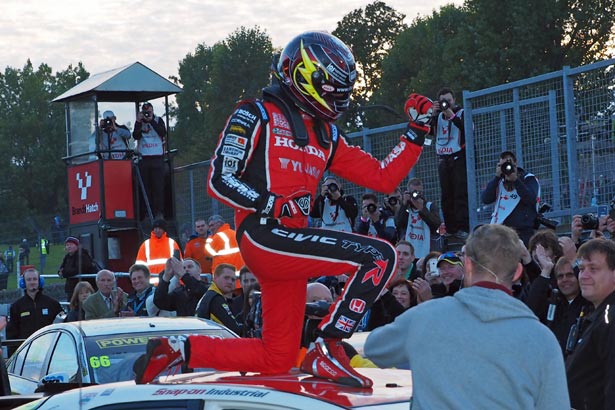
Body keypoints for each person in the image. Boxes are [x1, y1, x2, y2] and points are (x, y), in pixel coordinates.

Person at [134, 31, 430, 388]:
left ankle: (178, 350)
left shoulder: (327, 134)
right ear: (305, 76)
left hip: (290, 247)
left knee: (278, 357)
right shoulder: (254, 114)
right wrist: (269, 201)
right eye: (334, 89)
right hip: (262, 236)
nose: (339, 99)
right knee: (379, 255)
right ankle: (329, 343)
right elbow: (220, 179)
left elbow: (382, 179)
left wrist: (416, 132)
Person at [364, 224, 570, 409]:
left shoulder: (424, 317)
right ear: (517, 272)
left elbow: (374, 348)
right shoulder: (543, 340)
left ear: (468, 265)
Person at [566, 239, 615, 409]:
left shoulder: (610, 318)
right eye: (581, 269)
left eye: (593, 269)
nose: (584, 276)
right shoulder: (597, 314)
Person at [526, 255, 591, 353]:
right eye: (560, 276)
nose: (565, 279)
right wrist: (546, 269)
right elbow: (531, 310)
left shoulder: (590, 304)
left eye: (570, 275)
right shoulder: (552, 304)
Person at [430, 88, 469, 239]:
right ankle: (451, 228)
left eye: (448, 100)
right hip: (443, 159)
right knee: (446, 196)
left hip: (458, 158)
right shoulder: (438, 117)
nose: (446, 104)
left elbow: (467, 129)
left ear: (454, 100)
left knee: (460, 194)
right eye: (442, 101)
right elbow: (428, 132)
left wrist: (451, 115)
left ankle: (463, 227)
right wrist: (433, 113)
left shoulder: (461, 113)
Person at [481, 150, 540, 246]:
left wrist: (516, 181)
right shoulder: (499, 181)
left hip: (523, 233)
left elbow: (530, 199)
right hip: (501, 232)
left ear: (515, 163)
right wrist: (496, 177)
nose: (507, 168)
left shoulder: (528, 179)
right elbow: (486, 199)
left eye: (509, 164)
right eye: (502, 165)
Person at [6, 268, 63, 347]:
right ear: (23, 283)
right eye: (29, 280)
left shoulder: (53, 304)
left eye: (35, 279)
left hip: (48, 349)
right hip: (26, 350)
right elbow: (11, 334)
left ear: (39, 281)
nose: (32, 282)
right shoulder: (16, 307)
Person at [133, 101, 167, 219]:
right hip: (145, 158)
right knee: (146, 188)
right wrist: (139, 122)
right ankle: (148, 212)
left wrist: (151, 120)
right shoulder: (139, 123)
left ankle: (159, 212)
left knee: (158, 187)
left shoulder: (158, 120)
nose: (147, 114)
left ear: (152, 111)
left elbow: (163, 132)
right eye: (145, 112)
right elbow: (135, 135)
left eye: (149, 112)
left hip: (157, 158)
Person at [396, 178, 441, 258]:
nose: (416, 195)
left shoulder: (429, 206)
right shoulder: (406, 208)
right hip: (408, 252)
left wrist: (422, 209)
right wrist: (404, 205)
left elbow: (436, 224)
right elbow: (399, 224)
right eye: (413, 192)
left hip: (427, 251)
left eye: (419, 192)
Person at [195, 263, 243, 335]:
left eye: (233, 280)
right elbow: (234, 329)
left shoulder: (210, 295)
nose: (230, 282)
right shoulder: (216, 298)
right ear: (215, 278)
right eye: (226, 278)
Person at [58, 236, 97, 301]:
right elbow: (61, 268)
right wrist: (60, 272)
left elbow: (79, 269)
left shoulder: (82, 255)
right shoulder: (67, 257)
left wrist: (64, 273)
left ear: (77, 246)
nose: (69, 246)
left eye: (71, 244)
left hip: (83, 288)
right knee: (71, 306)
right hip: (71, 288)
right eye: (67, 245)